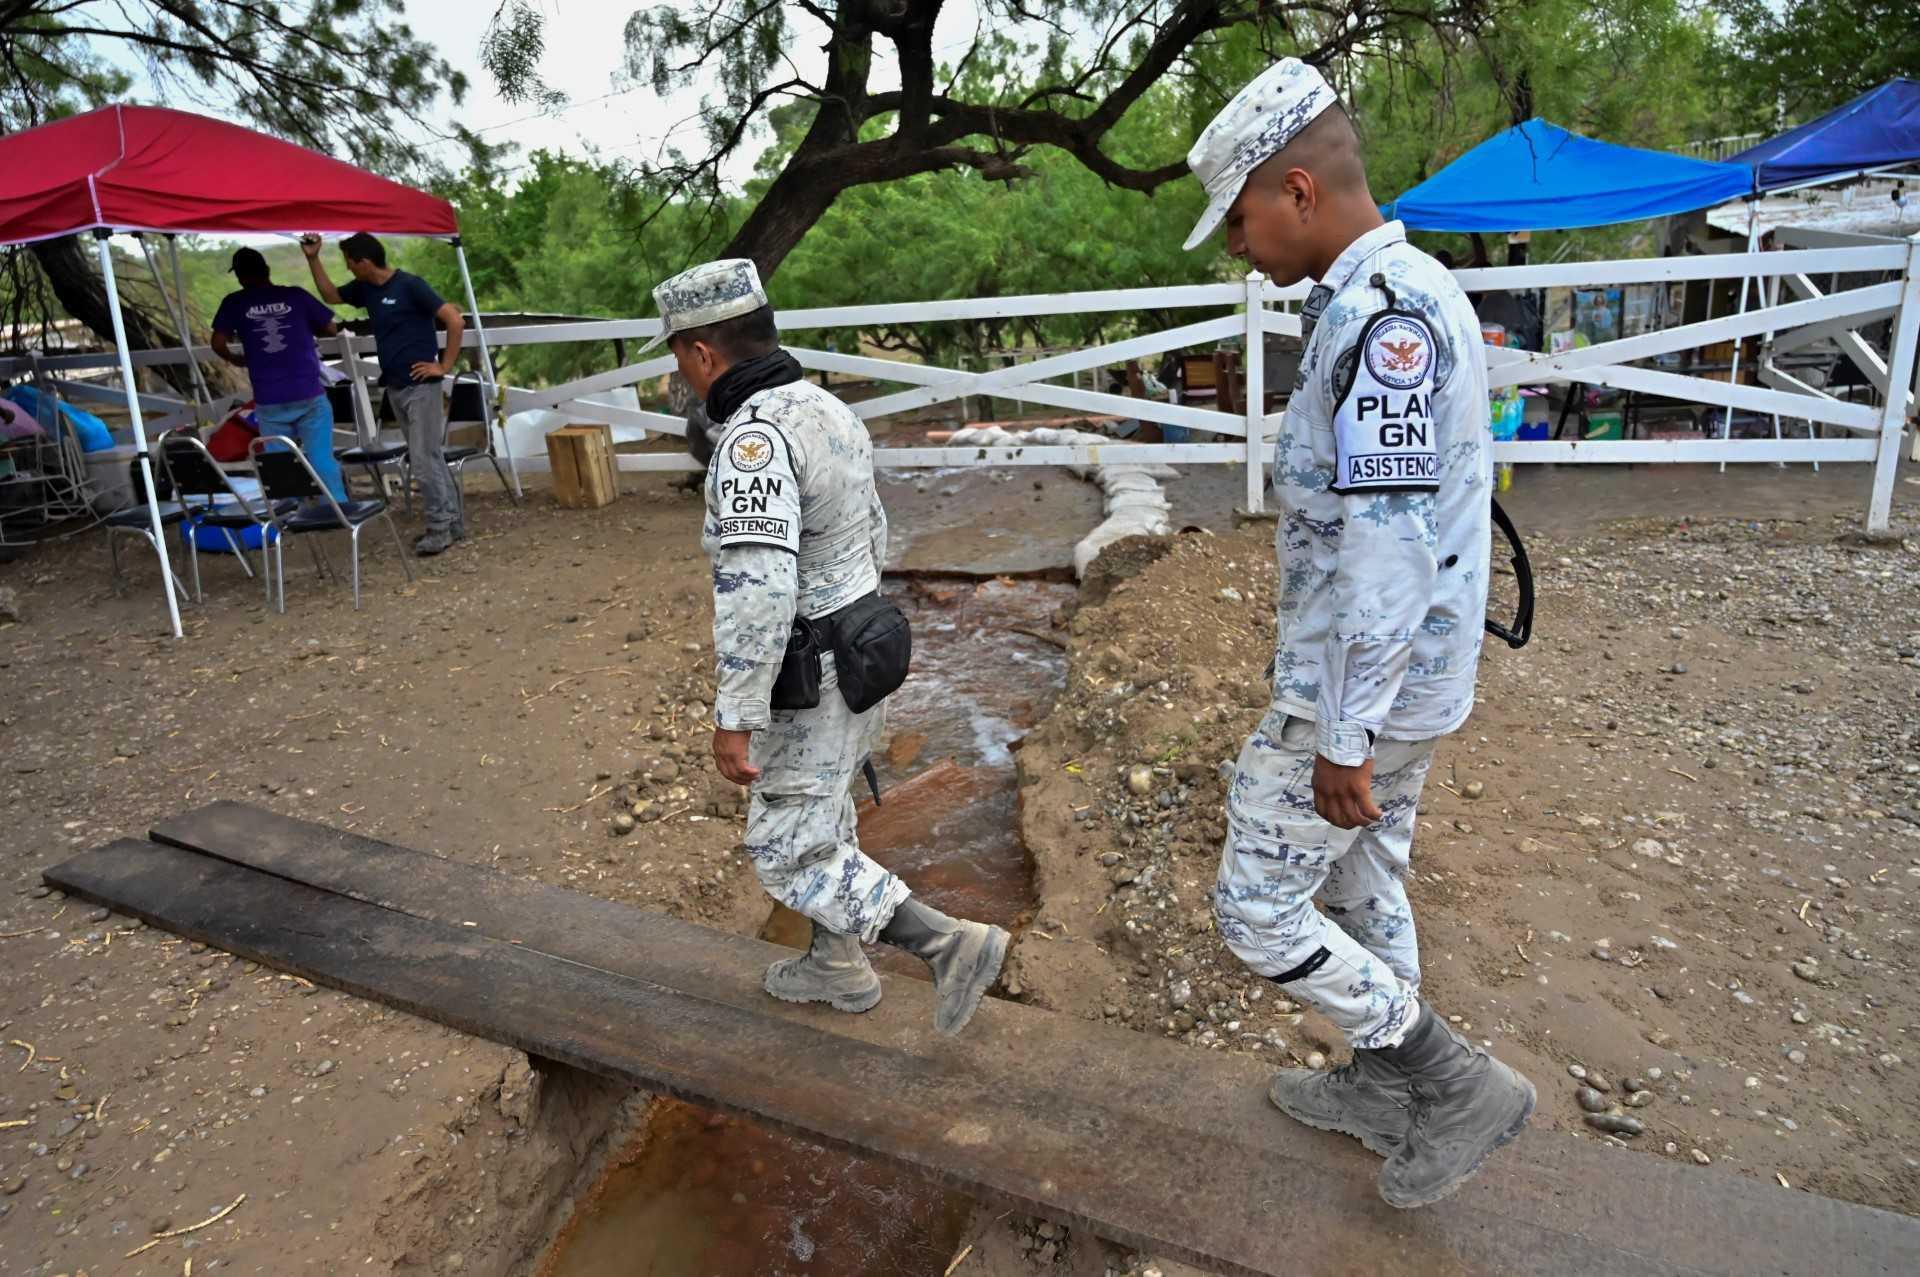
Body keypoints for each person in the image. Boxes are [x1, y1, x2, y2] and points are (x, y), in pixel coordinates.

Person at [1182, 59, 1534, 1208]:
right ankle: (1388, 1084)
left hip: (1363, 689)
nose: (1236, 246)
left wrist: (1342, 733)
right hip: (1398, 680)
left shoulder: (1385, 319)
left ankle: (1455, 1081)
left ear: (1295, 189)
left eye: (1237, 219)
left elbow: (1386, 546)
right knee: (1364, 880)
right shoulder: (1394, 294)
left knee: (1256, 908)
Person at [652, 258, 1008, 1036]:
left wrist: (736, 712)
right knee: (826, 816)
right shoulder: (825, 409)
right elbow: (873, 529)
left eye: (678, 355)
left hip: (809, 668)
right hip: (859, 652)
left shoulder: (753, 441)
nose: (680, 372)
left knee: (785, 846)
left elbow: (760, 589)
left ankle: (948, 945)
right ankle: (836, 964)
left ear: (703, 354)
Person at [301, 232, 466, 555]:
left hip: (422, 387)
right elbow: (331, 296)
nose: (348, 269)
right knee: (428, 457)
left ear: (364, 261)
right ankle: (451, 522)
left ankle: (439, 529)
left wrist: (443, 366)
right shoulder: (365, 290)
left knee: (422, 460)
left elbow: (454, 320)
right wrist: (312, 258)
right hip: (395, 384)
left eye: (350, 262)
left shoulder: (410, 285)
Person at [210, 248, 346, 500]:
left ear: (240, 276)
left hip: (269, 397)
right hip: (307, 392)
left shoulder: (234, 302)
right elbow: (330, 327)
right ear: (267, 270)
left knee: (279, 459)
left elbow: (218, 342)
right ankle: (337, 508)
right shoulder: (295, 295)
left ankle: (290, 512)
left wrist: (235, 358)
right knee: (320, 456)